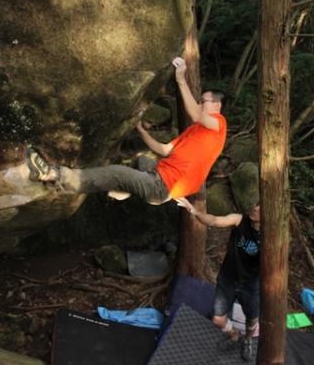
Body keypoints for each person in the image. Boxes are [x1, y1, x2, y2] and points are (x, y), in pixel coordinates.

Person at [25, 57, 226, 205]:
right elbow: (164, 150)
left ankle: (52, 175)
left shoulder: (219, 124)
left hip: (161, 187)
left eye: (204, 101)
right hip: (158, 173)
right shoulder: (195, 131)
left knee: (117, 173)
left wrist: (180, 79)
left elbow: (195, 114)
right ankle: (120, 192)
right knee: (141, 160)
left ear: (217, 105)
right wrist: (141, 131)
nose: (200, 104)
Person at [176, 196, 260, 362]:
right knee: (217, 319)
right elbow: (214, 220)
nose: (255, 208)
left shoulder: (270, 237)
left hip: (250, 284)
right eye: (257, 204)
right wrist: (195, 212)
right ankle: (234, 335)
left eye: (260, 209)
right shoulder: (239, 220)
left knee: (252, 319)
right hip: (228, 279)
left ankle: (248, 339)